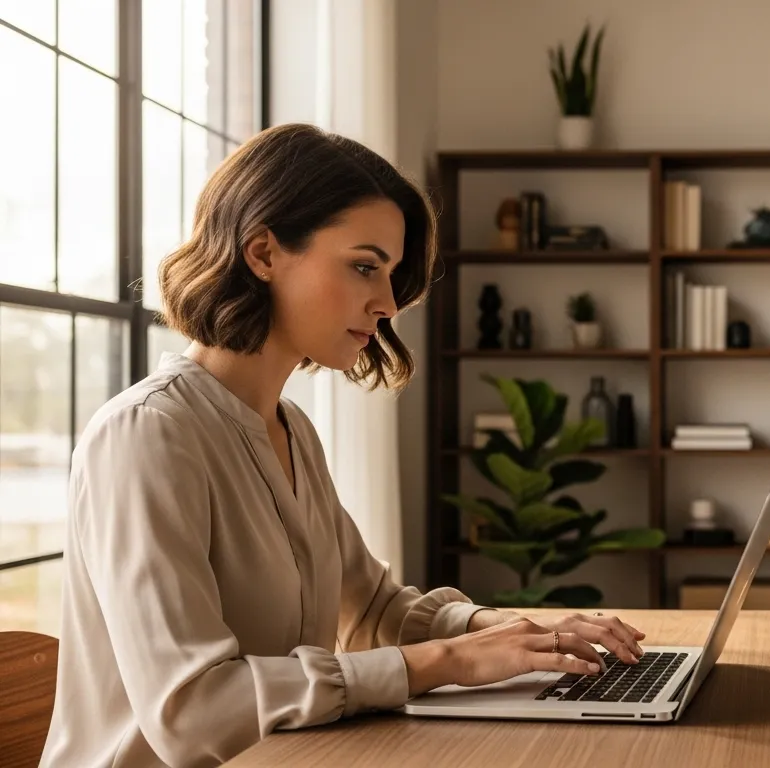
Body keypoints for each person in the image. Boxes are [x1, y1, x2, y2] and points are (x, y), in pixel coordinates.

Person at [39, 123, 646, 768]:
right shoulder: (148, 435)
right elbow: (194, 714)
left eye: (389, 274)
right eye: (364, 266)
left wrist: (507, 632)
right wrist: (445, 660)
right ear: (264, 253)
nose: (387, 302)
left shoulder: (291, 429)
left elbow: (373, 611)